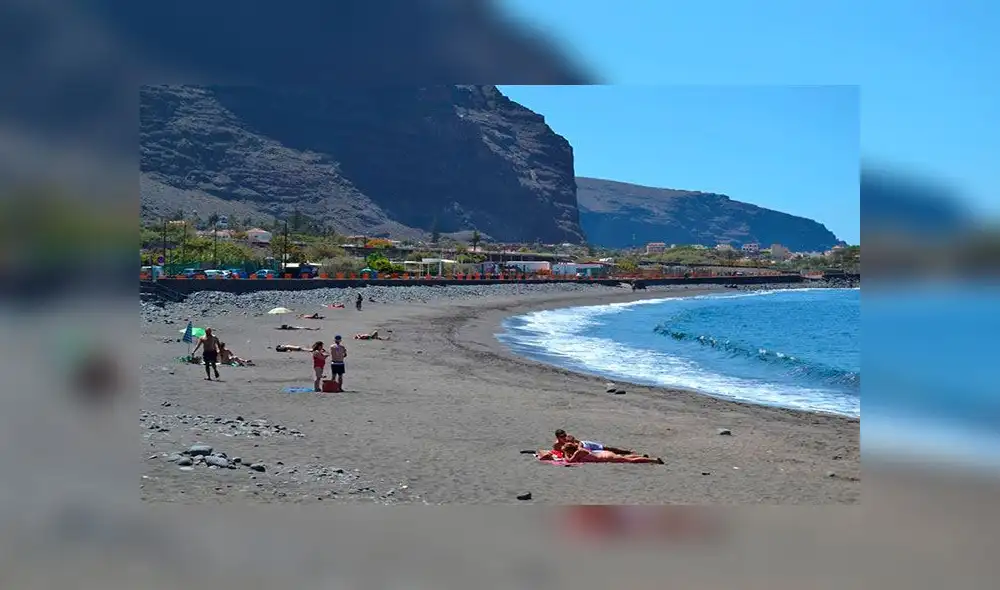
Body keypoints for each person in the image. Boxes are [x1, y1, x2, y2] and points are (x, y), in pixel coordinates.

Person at [553, 429, 636, 456]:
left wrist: (579, 447)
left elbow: (579, 443)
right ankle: (623, 455)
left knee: (606, 448)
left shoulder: (569, 438)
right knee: (604, 453)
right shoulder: (556, 445)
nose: (564, 437)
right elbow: (564, 453)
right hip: (582, 450)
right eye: (562, 436)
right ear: (558, 437)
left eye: (565, 435)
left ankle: (627, 452)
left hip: (585, 445)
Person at [562, 443, 663, 465]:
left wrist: (565, 454)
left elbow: (570, 461)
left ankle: (653, 460)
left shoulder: (578, 452)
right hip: (605, 454)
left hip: (605, 457)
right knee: (622, 457)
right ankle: (642, 456)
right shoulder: (580, 449)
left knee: (628, 460)